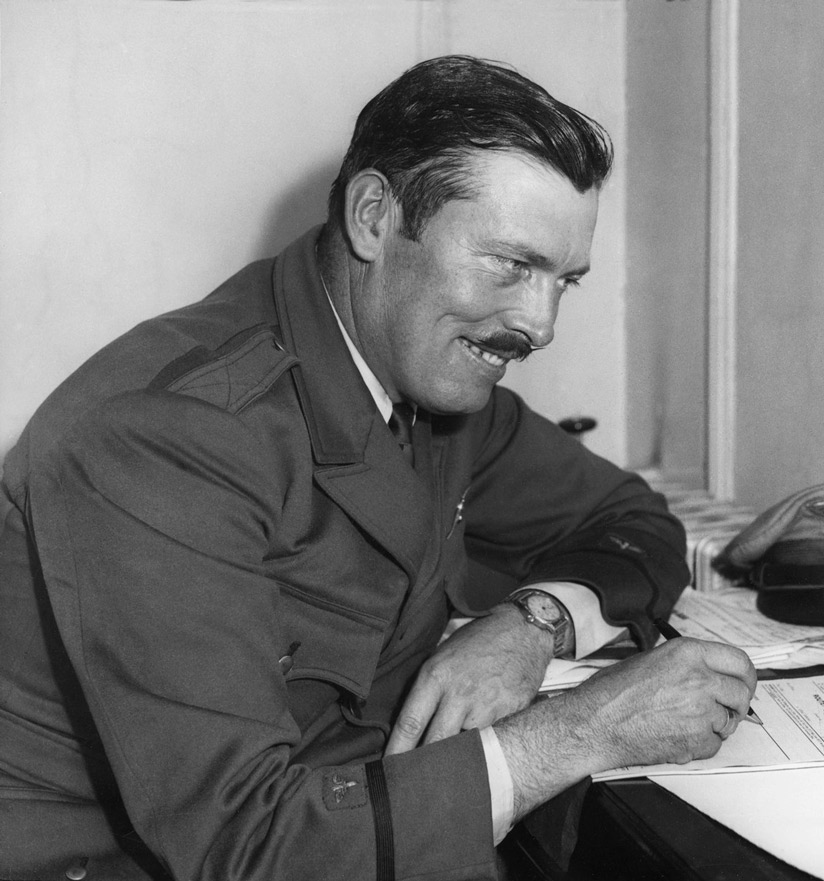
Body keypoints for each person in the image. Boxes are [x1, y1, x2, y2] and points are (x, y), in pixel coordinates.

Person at [0, 55, 757, 881]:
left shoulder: (429, 374)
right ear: (372, 218)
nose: (539, 326)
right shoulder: (163, 437)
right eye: (510, 263)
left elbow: (632, 519)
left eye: (563, 281)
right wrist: (582, 728)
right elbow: (244, 848)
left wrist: (531, 623)